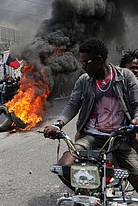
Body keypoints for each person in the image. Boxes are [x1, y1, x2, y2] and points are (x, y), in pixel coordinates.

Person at [44, 38, 138, 192]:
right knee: (64, 167)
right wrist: (58, 124)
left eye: (86, 62)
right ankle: (91, 194)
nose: (82, 66)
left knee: (135, 174)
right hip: (92, 137)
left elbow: (136, 104)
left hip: (119, 137)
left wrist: (136, 118)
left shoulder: (125, 76)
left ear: (99, 60)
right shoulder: (84, 81)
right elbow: (73, 105)